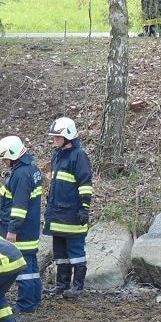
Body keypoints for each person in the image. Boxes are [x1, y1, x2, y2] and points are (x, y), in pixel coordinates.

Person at [42, 117, 93, 299]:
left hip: (72, 214)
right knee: (60, 253)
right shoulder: (58, 155)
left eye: (57, 137)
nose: (54, 140)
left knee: (76, 253)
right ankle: (62, 285)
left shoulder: (79, 156)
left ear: (68, 136)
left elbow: (85, 184)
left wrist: (84, 208)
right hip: (57, 214)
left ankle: (77, 287)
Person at [0, 135, 43, 314]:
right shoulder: (31, 169)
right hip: (29, 228)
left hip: (21, 232)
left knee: (24, 270)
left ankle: (26, 304)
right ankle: (35, 298)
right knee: (32, 267)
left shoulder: (21, 174)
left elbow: (19, 206)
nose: (4, 162)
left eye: (5, 158)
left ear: (14, 154)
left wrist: (12, 230)